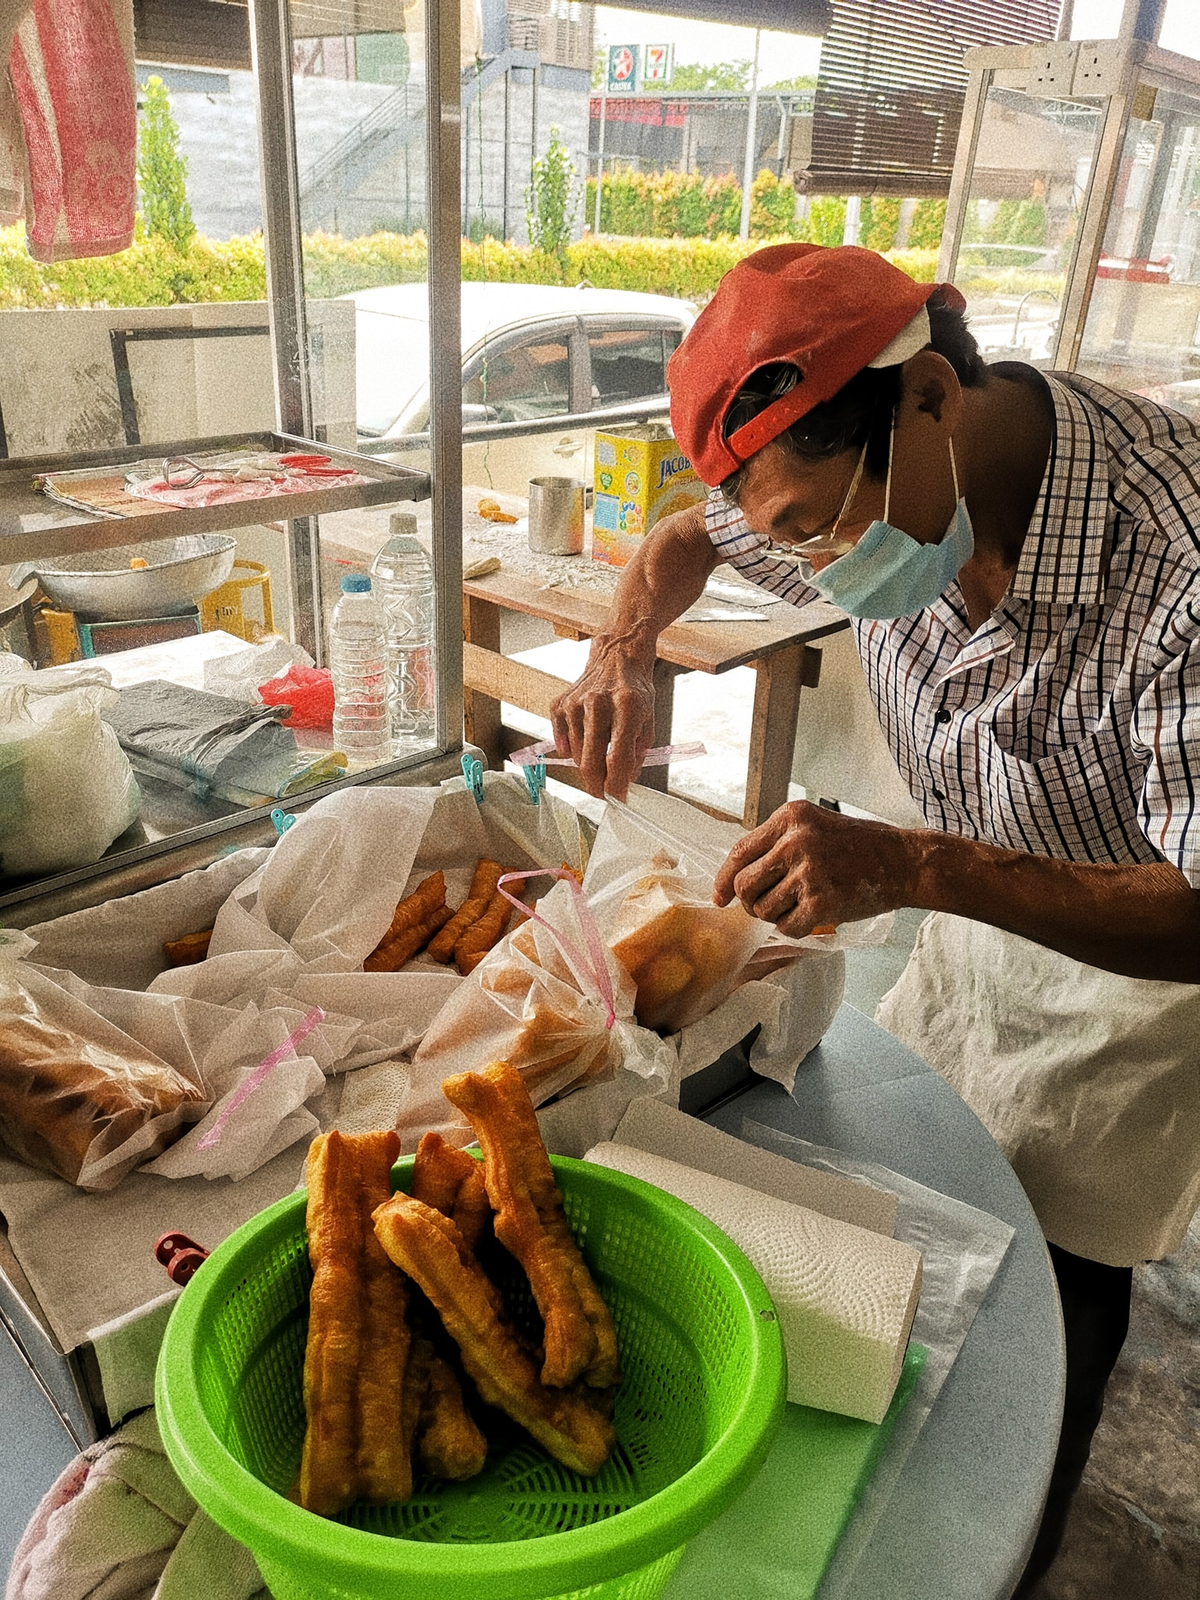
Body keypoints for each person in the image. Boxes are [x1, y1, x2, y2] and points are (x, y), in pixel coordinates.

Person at [549, 243, 1200, 1591]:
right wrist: (620, 656)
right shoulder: (834, 473)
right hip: (957, 897)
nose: (819, 570)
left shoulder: (1176, 565)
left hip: (1143, 958)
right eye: (785, 537)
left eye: (817, 529)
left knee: (1063, 1266)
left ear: (933, 400)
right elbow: (680, 542)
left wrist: (914, 867)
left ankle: (1015, 1548)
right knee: (922, 1201)